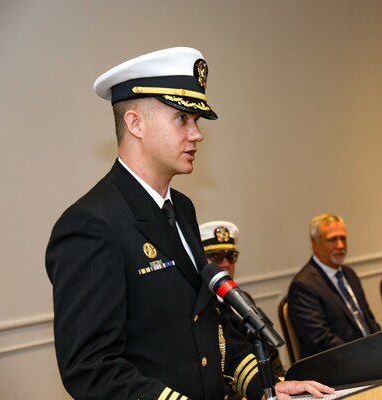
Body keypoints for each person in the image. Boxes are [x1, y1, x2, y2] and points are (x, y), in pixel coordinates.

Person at [45, 47, 333, 400]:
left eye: (196, 121)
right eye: (183, 118)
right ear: (136, 123)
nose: (197, 134)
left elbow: (208, 327)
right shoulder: (91, 224)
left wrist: (265, 385)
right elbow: (90, 369)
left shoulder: (181, 208)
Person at [199, 220, 285, 400]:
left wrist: (279, 384)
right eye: (216, 257)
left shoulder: (243, 299)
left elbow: (270, 353)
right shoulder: (201, 310)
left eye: (231, 256)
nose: (225, 264)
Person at [287, 213, 380, 359]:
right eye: (332, 240)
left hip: (370, 355)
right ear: (315, 244)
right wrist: (364, 356)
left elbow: (369, 321)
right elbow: (322, 341)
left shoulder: (350, 274)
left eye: (343, 238)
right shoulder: (303, 286)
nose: (341, 245)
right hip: (338, 364)